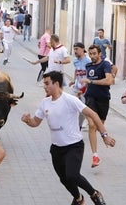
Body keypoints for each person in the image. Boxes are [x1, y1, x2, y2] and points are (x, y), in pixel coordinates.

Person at [21, 71, 115, 205]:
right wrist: (27, 120)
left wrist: (104, 135)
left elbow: (93, 114)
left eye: (47, 83)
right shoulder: (45, 103)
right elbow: (35, 122)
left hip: (74, 146)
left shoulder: (70, 100)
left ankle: (94, 194)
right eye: (44, 84)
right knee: (64, 179)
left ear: (56, 83)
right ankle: (79, 199)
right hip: (56, 149)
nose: (45, 86)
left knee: (72, 175)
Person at [79, 44, 114, 168]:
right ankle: (95, 156)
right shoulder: (88, 66)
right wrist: (82, 89)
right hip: (90, 98)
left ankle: (104, 137)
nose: (92, 56)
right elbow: (88, 83)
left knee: (100, 125)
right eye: (90, 54)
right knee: (92, 125)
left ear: (99, 54)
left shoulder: (105, 64)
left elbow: (109, 81)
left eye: (94, 53)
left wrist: (92, 81)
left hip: (103, 99)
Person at [68, 42, 91, 129]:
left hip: (85, 90)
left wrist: (85, 86)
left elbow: (89, 75)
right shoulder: (75, 61)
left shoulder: (88, 61)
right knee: (68, 103)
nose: (75, 51)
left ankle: (79, 126)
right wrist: (73, 80)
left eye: (77, 49)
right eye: (74, 49)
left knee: (82, 110)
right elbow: (76, 70)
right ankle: (69, 124)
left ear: (82, 49)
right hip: (76, 88)